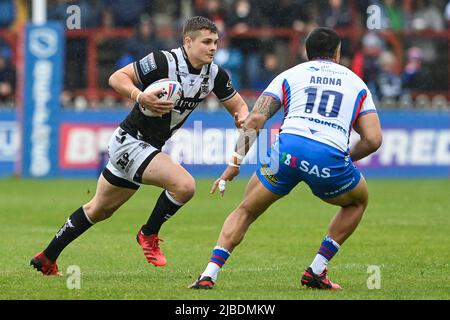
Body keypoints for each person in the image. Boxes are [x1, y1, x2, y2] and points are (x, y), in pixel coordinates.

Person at [30, 16, 249, 275]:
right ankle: (148, 234)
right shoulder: (162, 61)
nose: (213, 47)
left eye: (215, 42)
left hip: (144, 146)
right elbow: (117, 77)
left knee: (99, 209)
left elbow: (240, 106)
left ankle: (47, 256)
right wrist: (139, 95)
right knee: (185, 186)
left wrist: (243, 117)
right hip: (130, 142)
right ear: (188, 42)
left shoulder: (214, 75)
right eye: (206, 42)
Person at [190, 27, 382, 290]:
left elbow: (256, 119)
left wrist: (234, 164)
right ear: (337, 53)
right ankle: (316, 270)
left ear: (306, 52)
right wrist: (343, 156)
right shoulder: (357, 83)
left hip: (285, 152)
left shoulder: (291, 74)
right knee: (358, 202)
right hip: (328, 158)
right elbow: (373, 140)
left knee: (246, 209)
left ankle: (208, 274)